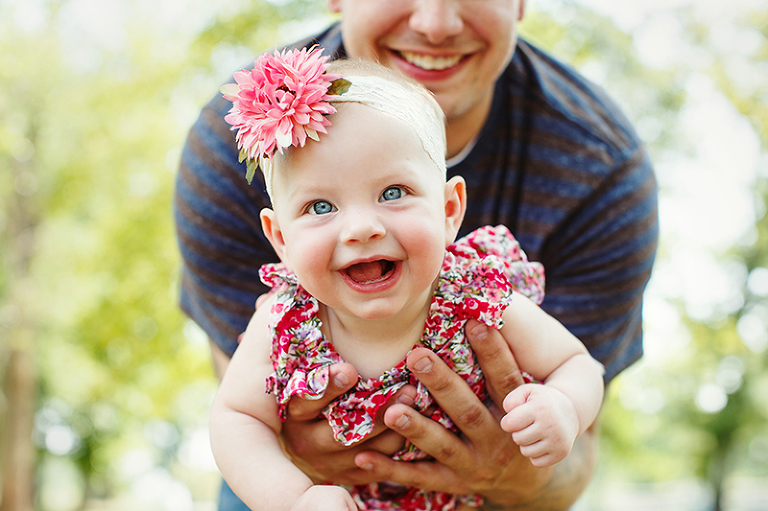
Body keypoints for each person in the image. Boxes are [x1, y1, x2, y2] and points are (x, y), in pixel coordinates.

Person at [174, 0, 659, 509]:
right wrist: (294, 497)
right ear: (279, 239)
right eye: (321, 206)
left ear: (451, 210)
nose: (362, 228)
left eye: (392, 193)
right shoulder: (285, 317)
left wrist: (561, 407)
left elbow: (575, 364)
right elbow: (239, 418)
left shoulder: (474, 293)